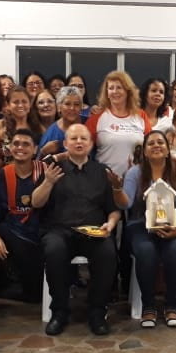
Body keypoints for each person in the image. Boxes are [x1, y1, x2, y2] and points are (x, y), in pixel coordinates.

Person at [31, 124, 121, 336]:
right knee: (54, 250)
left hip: (94, 232)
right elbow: (36, 202)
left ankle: (97, 311)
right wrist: (48, 183)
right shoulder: (53, 168)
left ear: (91, 144)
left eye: (83, 138)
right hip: (60, 230)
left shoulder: (102, 172)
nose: (79, 142)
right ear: (65, 143)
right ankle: (59, 311)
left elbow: (114, 210)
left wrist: (110, 224)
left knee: (108, 252)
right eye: (73, 138)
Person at [115, 131, 176, 328]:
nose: (156, 146)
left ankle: (172, 306)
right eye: (151, 143)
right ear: (144, 151)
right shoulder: (135, 173)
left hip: (174, 225)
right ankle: (149, 307)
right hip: (141, 226)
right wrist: (117, 190)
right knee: (146, 251)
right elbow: (126, 204)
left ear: (168, 150)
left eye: (160, 142)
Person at [0, 128, 46, 302]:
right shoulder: (4, 174)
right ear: (9, 148)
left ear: (35, 149)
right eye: (16, 143)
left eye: (26, 144)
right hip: (14, 233)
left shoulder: (46, 172)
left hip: (40, 234)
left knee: (37, 294)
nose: (20, 148)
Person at [86, 71, 151, 177]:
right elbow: (83, 147)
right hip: (105, 179)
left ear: (128, 91)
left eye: (119, 87)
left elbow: (151, 145)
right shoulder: (96, 118)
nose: (115, 91)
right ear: (106, 92)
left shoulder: (141, 116)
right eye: (111, 88)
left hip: (136, 179)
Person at [0, 85, 34, 165]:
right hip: (5, 172)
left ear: (30, 104)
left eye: (24, 101)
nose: (20, 105)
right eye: (16, 102)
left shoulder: (37, 127)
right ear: (8, 105)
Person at [38, 86, 85, 157]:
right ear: (59, 107)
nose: (72, 108)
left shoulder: (90, 123)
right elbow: (37, 162)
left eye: (76, 104)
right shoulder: (50, 134)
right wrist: (43, 152)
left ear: (81, 107)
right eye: (67, 104)